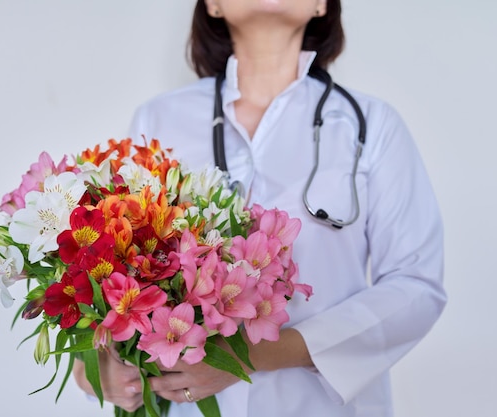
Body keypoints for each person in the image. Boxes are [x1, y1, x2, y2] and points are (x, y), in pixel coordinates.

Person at [74, 1, 447, 416]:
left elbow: (416, 285)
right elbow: (121, 263)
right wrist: (96, 366)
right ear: (212, 5)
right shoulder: (160, 120)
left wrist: (250, 356)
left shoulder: (372, 125)